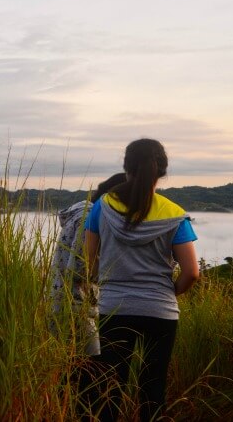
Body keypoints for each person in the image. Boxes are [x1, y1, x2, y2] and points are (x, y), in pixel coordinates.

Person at [82, 139, 200, 421]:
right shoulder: (174, 214)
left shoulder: (103, 207)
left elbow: (89, 263)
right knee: (153, 388)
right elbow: (192, 272)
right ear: (161, 171)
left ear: (127, 167)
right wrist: (169, 292)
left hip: (113, 309)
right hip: (160, 311)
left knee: (110, 386)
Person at [50, 172, 127, 356]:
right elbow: (79, 266)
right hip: (77, 305)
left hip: (65, 301)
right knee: (87, 369)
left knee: (70, 368)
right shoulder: (88, 219)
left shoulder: (83, 213)